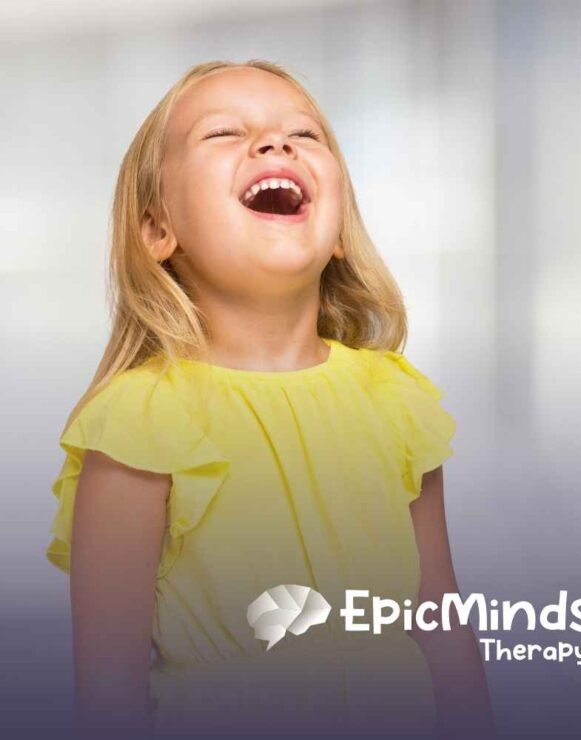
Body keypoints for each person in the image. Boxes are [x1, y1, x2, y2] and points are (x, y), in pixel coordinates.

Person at [45, 59, 495, 738]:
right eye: (224, 132)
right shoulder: (141, 421)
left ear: (339, 230)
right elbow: (107, 695)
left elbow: (442, 627)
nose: (275, 144)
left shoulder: (397, 403)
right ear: (157, 230)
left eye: (305, 136)